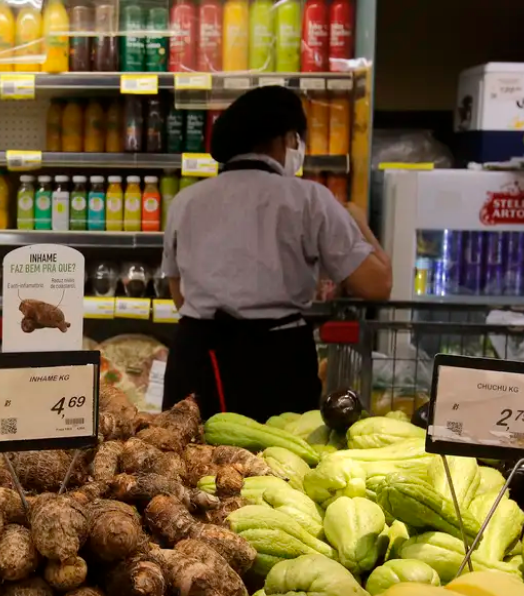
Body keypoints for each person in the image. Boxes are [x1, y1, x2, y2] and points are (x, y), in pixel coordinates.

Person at [160, 85, 391, 421]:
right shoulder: (308, 198)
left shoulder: (186, 200)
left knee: (188, 462)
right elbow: (377, 285)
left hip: (197, 355)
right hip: (277, 359)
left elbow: (177, 293)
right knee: (279, 464)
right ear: (286, 139)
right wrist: (360, 223)